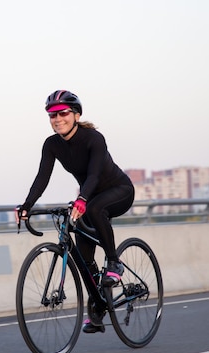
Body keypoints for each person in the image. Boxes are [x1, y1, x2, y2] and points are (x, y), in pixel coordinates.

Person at [15, 90, 135, 333]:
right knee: (83, 257)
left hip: (118, 190)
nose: (57, 119)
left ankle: (114, 261)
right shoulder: (52, 145)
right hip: (88, 197)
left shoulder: (94, 138)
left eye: (63, 113)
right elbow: (42, 178)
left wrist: (82, 199)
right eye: (52, 115)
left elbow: (94, 175)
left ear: (76, 115)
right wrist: (27, 205)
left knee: (94, 206)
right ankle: (98, 306)